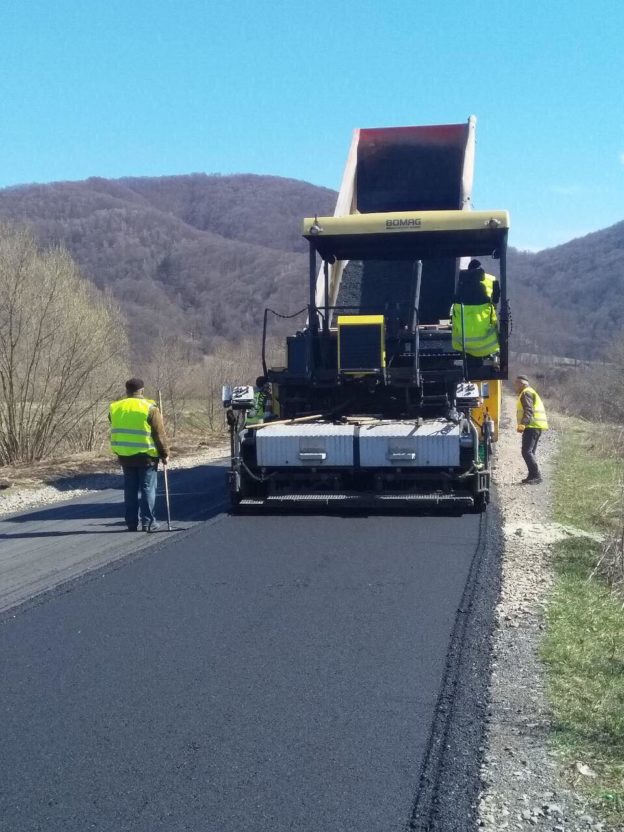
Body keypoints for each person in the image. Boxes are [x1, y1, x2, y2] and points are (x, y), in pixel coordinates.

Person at [109, 378, 170, 531]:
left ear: (126, 391)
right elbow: (159, 434)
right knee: (147, 488)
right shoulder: (150, 407)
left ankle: (131, 522)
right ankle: (148, 522)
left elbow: (113, 423)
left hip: (125, 455)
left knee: (130, 490)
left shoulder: (115, 407)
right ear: (142, 390)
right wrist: (164, 453)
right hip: (146, 456)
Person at [451, 259, 500, 358]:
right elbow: (495, 301)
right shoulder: (491, 280)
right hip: (487, 345)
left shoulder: (458, 283)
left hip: (462, 345)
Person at [514, 375, 548, 484]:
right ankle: (532, 475)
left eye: (517, 384)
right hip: (535, 426)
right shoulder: (529, 391)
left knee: (526, 452)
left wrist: (523, 424)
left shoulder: (526, 393)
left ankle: (537, 476)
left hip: (532, 426)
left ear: (522, 384)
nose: (516, 386)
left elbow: (529, 410)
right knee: (530, 452)